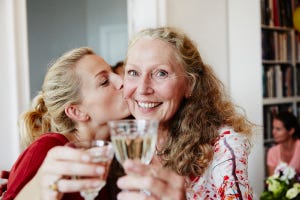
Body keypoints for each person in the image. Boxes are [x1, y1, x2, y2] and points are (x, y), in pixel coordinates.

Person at [116, 27, 254, 199]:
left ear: (189, 85)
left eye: (161, 73)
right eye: (133, 73)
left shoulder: (224, 144)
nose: (143, 88)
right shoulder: (122, 141)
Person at [3, 47, 130, 200]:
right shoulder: (46, 149)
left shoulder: (117, 148)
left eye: (113, 73)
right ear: (77, 112)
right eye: (104, 82)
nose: (121, 80)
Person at [267, 111, 300, 176]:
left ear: (291, 131)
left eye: (278, 129)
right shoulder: (272, 152)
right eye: (273, 128)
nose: (273, 132)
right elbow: (272, 182)